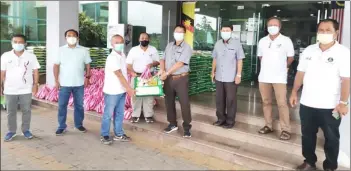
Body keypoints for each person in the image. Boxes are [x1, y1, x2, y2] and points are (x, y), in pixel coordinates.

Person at [290, 19, 350, 171]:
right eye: (321, 30)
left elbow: (346, 79)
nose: (323, 33)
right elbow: (300, 73)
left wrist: (343, 102)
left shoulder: (343, 52)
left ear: (336, 33)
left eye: (328, 30)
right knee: (307, 135)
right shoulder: (309, 50)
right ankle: (309, 162)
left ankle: (330, 166)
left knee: (331, 138)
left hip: (331, 105)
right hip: (307, 103)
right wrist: (293, 92)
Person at [257, 17, 295, 140]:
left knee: (282, 103)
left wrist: (283, 67)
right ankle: (268, 125)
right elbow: (260, 57)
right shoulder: (262, 41)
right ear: (267, 26)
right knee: (266, 102)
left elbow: (290, 57)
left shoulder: (286, 40)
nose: (272, 27)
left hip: (279, 78)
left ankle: (285, 129)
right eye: (270, 25)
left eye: (275, 25)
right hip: (264, 77)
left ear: (280, 27)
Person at [0, 34, 40, 141]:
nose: (18, 44)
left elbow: (36, 71)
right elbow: (2, 72)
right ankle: (11, 131)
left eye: (20, 42)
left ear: (25, 44)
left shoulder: (31, 56)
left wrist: (36, 84)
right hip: (9, 89)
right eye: (15, 42)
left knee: (26, 110)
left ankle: (26, 130)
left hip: (26, 89)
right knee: (10, 111)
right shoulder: (5, 56)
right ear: (12, 43)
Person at [53, 29, 92, 136]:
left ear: (77, 38)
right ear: (65, 38)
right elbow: (56, 65)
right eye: (69, 35)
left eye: (73, 35)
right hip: (64, 84)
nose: (71, 37)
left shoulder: (84, 50)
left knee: (79, 105)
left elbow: (88, 64)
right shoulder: (60, 50)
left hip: (79, 83)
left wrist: (87, 77)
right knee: (62, 105)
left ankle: (78, 124)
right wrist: (56, 80)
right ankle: (61, 126)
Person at [100, 34, 135, 145]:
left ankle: (119, 134)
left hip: (121, 90)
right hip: (112, 91)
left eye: (121, 42)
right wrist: (129, 88)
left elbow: (124, 69)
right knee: (108, 114)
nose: (119, 44)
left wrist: (132, 72)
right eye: (117, 42)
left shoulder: (122, 55)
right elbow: (119, 74)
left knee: (119, 113)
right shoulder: (112, 57)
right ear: (112, 44)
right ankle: (105, 134)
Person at [159, 25, 192, 138]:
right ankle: (172, 123)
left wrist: (166, 73)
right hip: (169, 79)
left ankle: (187, 128)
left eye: (180, 32)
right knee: (169, 102)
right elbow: (162, 59)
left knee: (184, 103)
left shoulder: (187, 47)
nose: (178, 33)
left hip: (181, 78)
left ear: (184, 34)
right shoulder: (169, 45)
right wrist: (162, 70)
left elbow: (180, 63)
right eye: (176, 31)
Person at [211, 25, 245, 129]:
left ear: (231, 32)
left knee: (230, 99)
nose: (225, 32)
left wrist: (238, 75)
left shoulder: (237, 44)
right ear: (221, 31)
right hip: (219, 76)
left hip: (231, 77)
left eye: (227, 30)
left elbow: (240, 60)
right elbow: (215, 59)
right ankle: (221, 119)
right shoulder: (217, 44)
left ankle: (230, 121)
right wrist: (212, 72)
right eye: (223, 30)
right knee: (219, 99)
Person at [126, 32, 160, 123]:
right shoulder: (133, 50)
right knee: (135, 96)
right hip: (137, 76)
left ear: (149, 40)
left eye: (146, 38)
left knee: (149, 96)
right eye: (142, 38)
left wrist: (152, 64)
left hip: (149, 76)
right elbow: (128, 64)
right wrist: (132, 72)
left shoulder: (153, 49)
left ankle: (148, 116)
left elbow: (158, 62)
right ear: (139, 39)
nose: (144, 39)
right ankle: (135, 115)